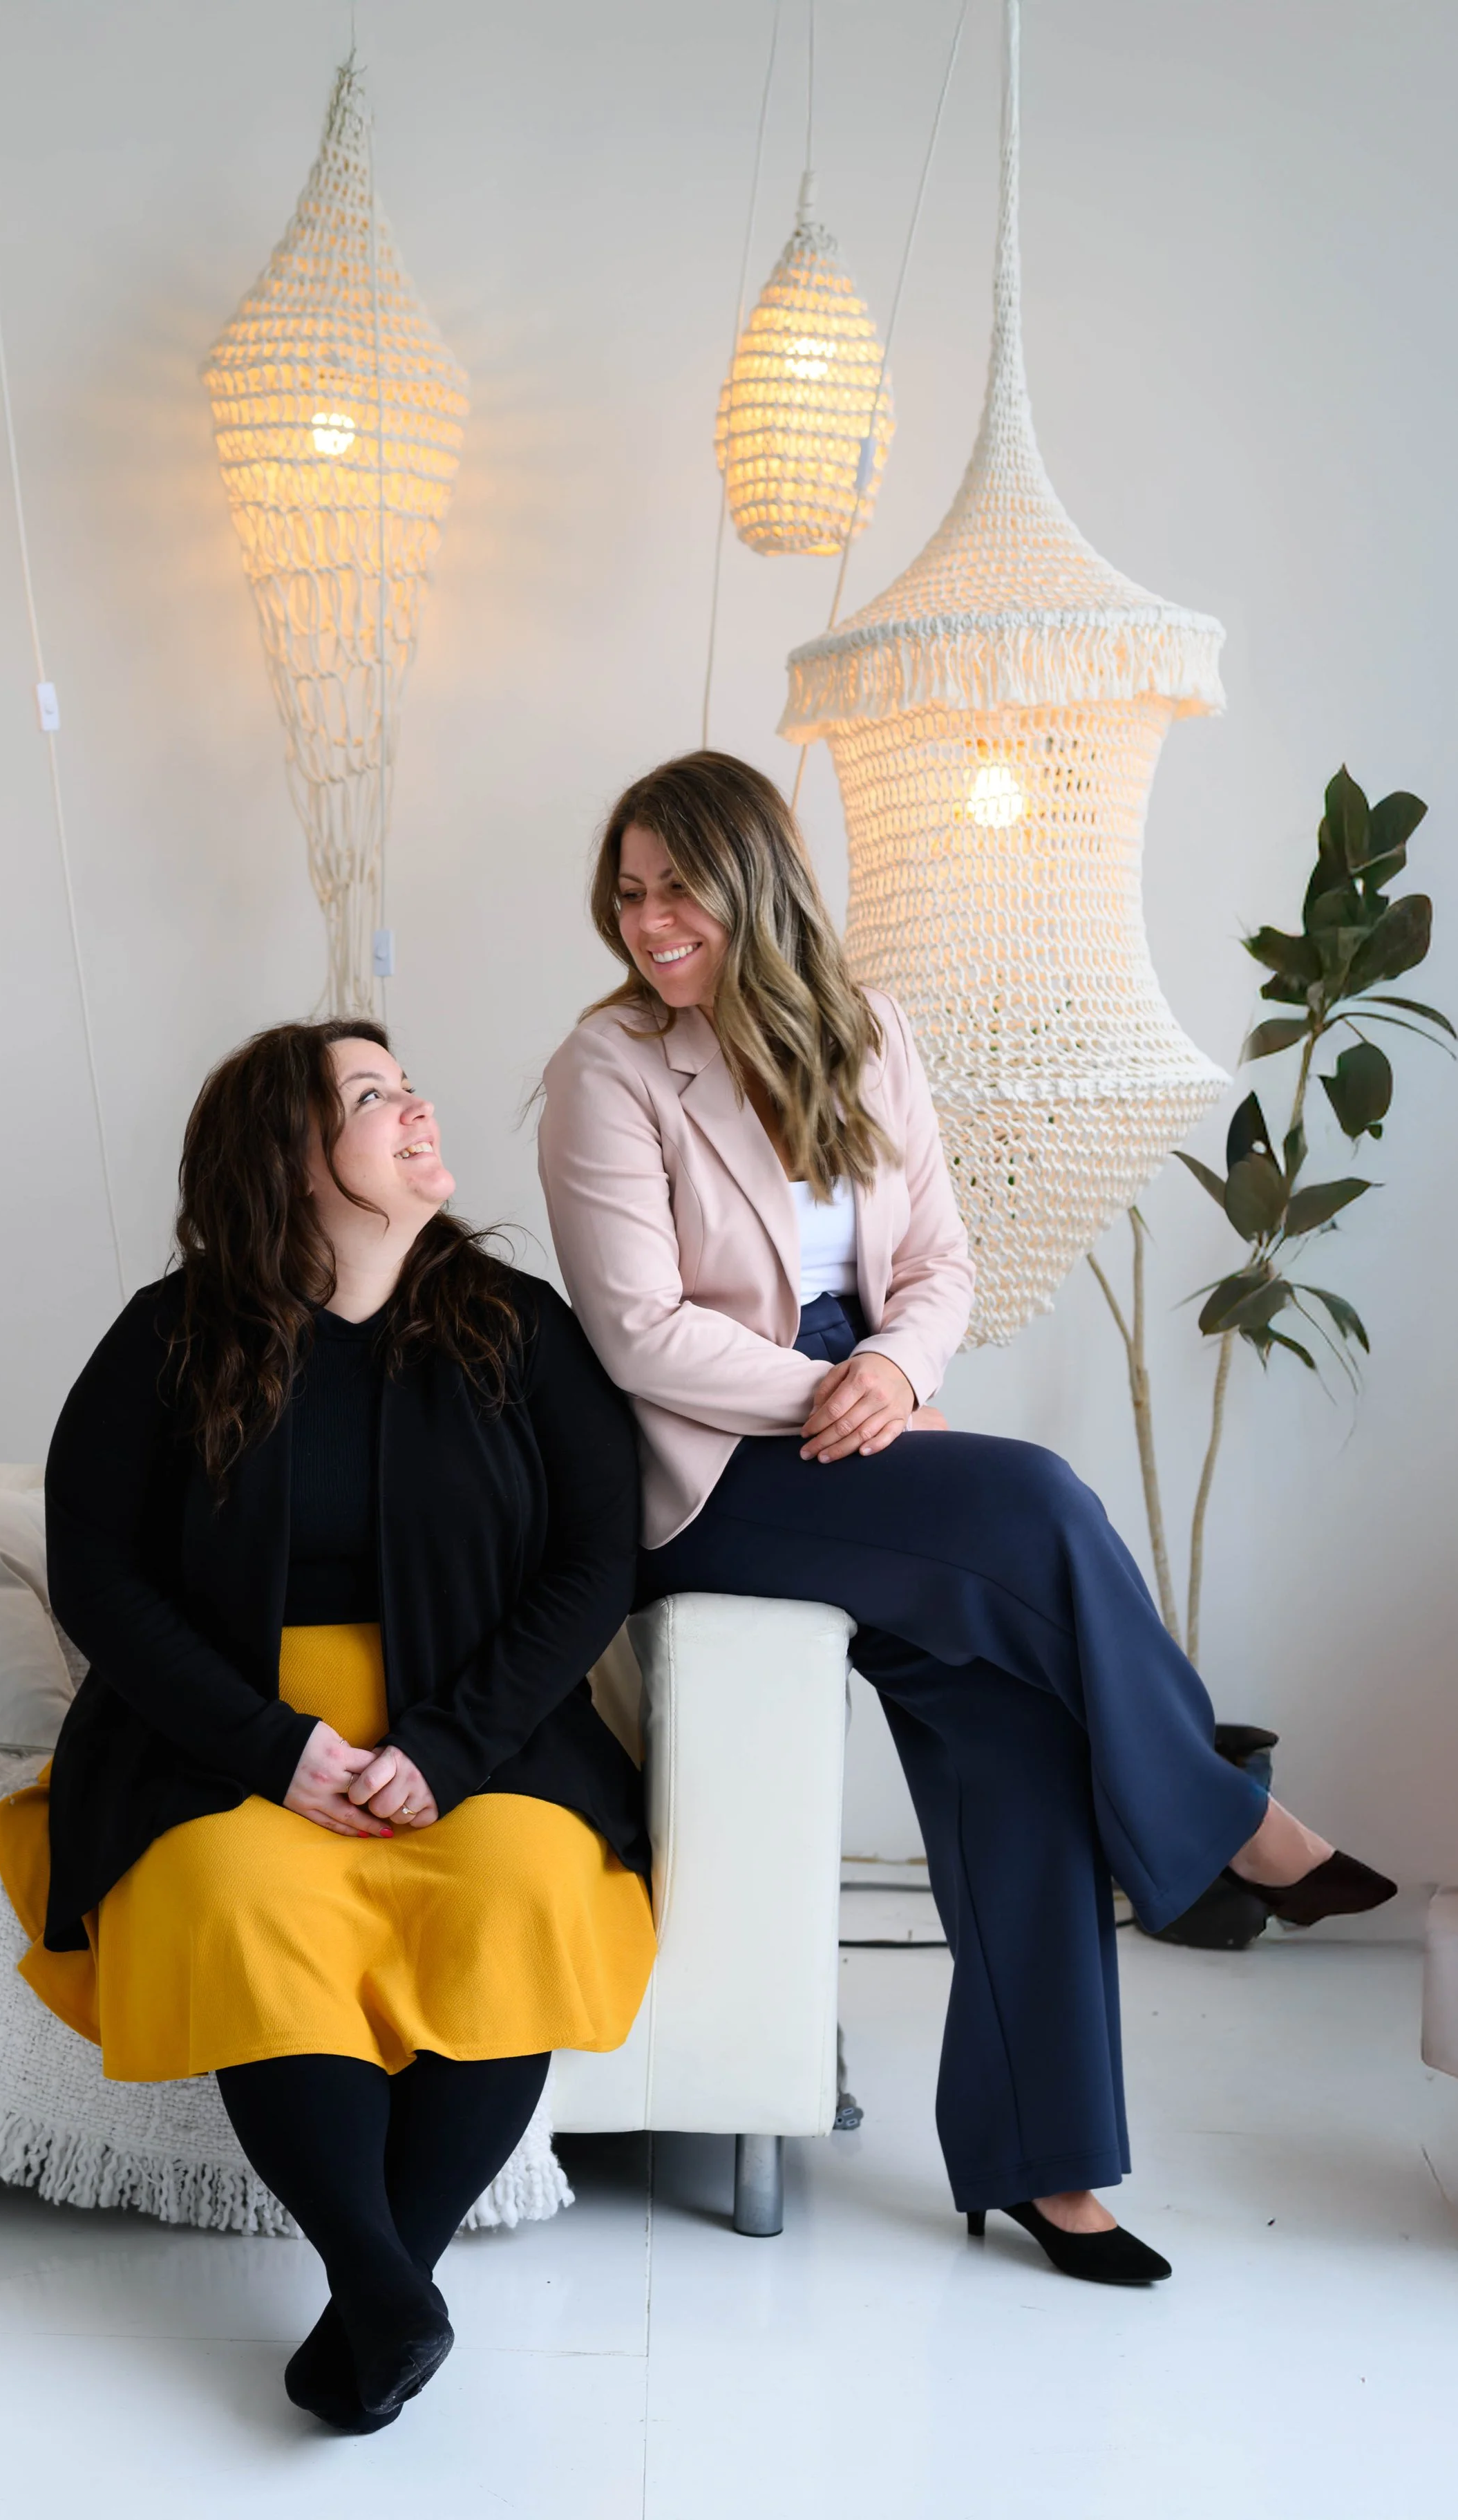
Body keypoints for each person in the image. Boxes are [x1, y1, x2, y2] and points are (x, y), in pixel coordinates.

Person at [536, 749, 1395, 2287]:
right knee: (1044, 1499)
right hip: (715, 1470)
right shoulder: (609, 1066)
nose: (649, 920)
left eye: (678, 888)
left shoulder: (868, 1035)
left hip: (863, 1417)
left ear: (755, 884)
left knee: (1013, 1724)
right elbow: (638, 1330)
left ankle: (1043, 2167)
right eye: (630, 891)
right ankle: (1225, 1820)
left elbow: (938, 1263)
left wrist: (891, 1366)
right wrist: (831, 1392)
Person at [0, 1019, 655, 2429]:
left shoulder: (517, 1324)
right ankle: (383, 2285)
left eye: (407, 1084)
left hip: (479, 1725)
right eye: (369, 1096)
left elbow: (597, 1558)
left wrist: (451, 1748)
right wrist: (271, 1748)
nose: (415, 1107)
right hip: (224, 1732)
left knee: (516, 1884)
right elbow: (95, 1570)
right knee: (236, 1893)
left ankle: (375, 2299)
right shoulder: (172, 1334)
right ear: (288, 1157)